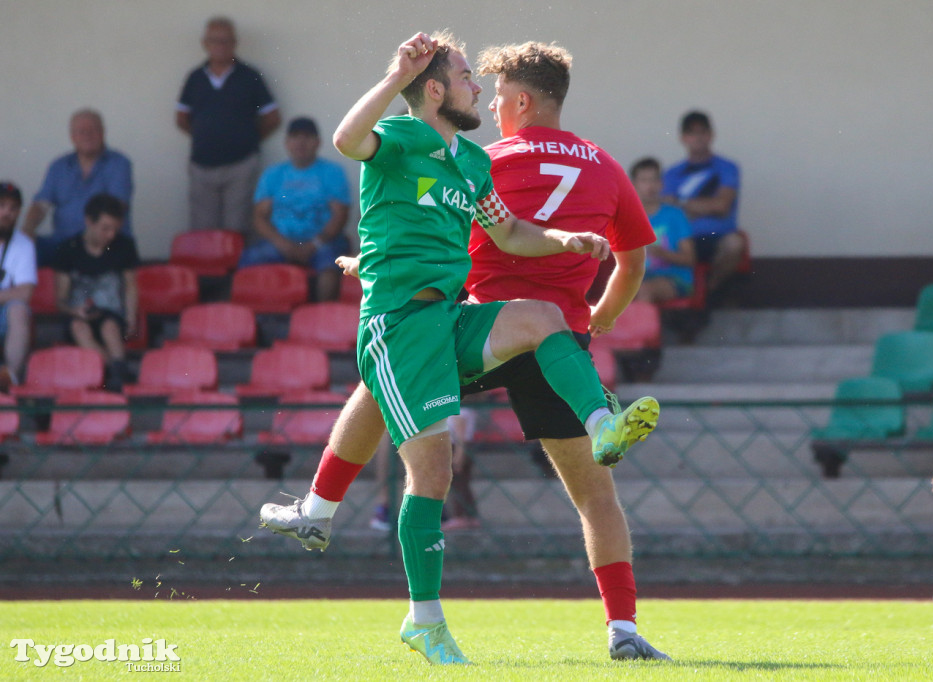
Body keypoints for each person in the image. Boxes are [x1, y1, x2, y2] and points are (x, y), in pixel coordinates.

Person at [260, 35, 667, 663]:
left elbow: (506, 230)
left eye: (491, 85)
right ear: (432, 89)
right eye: (468, 78)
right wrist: (396, 72)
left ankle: (602, 423)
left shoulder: (478, 161)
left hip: (460, 318)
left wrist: (562, 239)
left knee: (533, 320)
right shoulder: (400, 136)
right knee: (437, 462)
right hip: (408, 324)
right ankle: (402, 592)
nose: (480, 88)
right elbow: (347, 142)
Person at [175, 16, 281, 233]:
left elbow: (272, 118)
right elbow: (181, 118)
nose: (220, 46)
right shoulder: (195, 78)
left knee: (237, 229)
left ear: (234, 43)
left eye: (226, 40)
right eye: (215, 40)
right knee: (202, 232)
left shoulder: (250, 76)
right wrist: (205, 137)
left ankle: (236, 269)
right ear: (205, 44)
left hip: (241, 167)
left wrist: (247, 138)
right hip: (201, 167)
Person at [237, 116, 351, 301]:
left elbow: (340, 216)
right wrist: (283, 244)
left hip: (321, 243)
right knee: (248, 262)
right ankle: (255, 320)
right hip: (279, 242)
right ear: (287, 142)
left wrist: (314, 244)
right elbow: (259, 216)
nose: (300, 142)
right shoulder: (273, 174)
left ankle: (320, 319)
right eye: (295, 136)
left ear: (318, 142)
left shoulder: (332, 172)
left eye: (307, 136)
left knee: (332, 265)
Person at [20, 109, 133, 266]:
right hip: (64, 243)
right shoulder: (58, 166)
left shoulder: (119, 163)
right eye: (81, 131)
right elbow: (41, 204)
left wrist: (89, 240)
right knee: (21, 250)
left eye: (93, 130)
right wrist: (28, 229)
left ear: (103, 133)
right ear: (72, 137)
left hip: (106, 243)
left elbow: (117, 207)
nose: (87, 135)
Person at [53, 193, 139, 392]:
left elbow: (130, 285)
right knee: (78, 327)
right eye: (105, 228)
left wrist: (131, 317)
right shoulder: (68, 249)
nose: (111, 235)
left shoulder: (124, 246)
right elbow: (60, 300)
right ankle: (117, 373)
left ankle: (114, 375)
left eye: (115, 229)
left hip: (112, 312)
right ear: (89, 221)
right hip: (77, 313)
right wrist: (75, 311)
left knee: (110, 327)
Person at [661, 110, 744, 295]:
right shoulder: (671, 174)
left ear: (711, 135)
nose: (697, 137)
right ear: (683, 138)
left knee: (735, 244)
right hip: (682, 239)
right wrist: (707, 206)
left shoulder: (727, 168)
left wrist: (680, 202)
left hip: (716, 237)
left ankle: (708, 291)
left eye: (702, 132)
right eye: (691, 132)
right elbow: (667, 211)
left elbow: (722, 206)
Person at [630, 157, 695, 303]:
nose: (650, 186)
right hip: (637, 278)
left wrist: (660, 253)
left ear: (661, 184)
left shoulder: (675, 215)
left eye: (654, 180)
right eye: (644, 180)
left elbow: (690, 259)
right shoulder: (626, 218)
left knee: (642, 290)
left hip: (674, 278)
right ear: (633, 185)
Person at [0, 182, 36, 391]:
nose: (7, 212)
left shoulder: (24, 244)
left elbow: (25, 292)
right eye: (2, 205)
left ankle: (10, 380)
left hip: (5, 314)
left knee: (19, 310)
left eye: (13, 208)